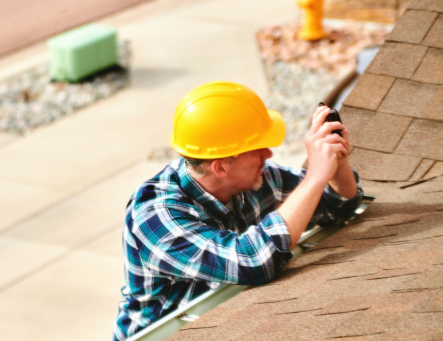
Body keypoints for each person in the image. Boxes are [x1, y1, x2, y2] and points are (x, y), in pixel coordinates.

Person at [112, 81, 362, 340]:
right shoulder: (155, 217)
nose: (269, 153)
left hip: (219, 322)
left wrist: (337, 162)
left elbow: (338, 206)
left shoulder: (254, 179)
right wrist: (315, 177)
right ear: (221, 168)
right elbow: (252, 262)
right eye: (256, 148)